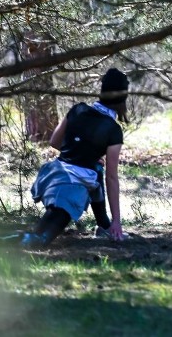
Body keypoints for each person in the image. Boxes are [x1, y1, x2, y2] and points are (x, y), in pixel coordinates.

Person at [20, 67, 130, 247]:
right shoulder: (113, 129)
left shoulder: (78, 109)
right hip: (73, 186)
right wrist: (117, 221)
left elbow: (55, 142)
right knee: (41, 240)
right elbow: (111, 178)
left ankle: (103, 225)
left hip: (53, 175)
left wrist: (81, 152)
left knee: (96, 168)